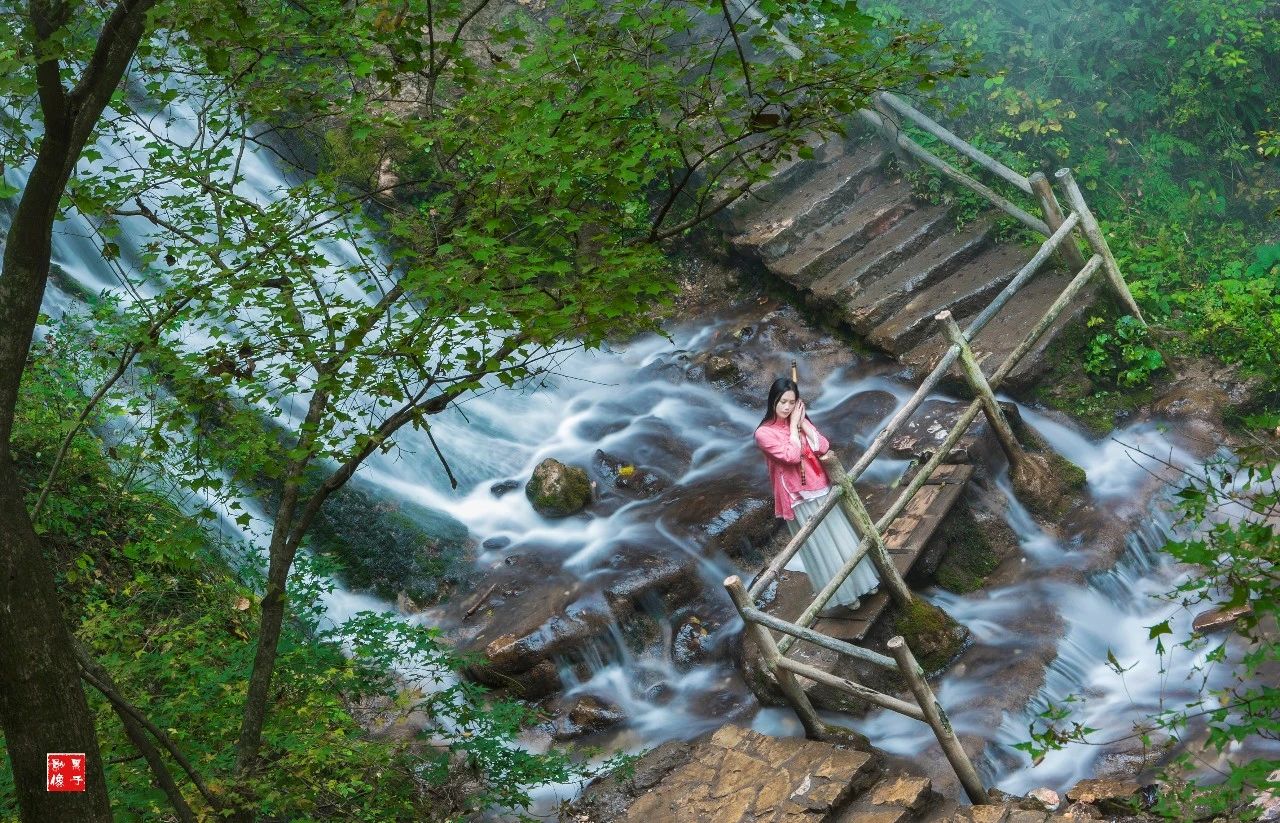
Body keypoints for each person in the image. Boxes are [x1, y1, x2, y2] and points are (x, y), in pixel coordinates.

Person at [753, 377, 878, 610]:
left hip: (820, 486)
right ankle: (845, 594)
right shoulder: (764, 433)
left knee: (842, 537)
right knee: (822, 546)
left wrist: (804, 424)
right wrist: (792, 427)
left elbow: (822, 447)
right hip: (797, 495)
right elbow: (790, 456)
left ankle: (865, 581)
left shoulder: (799, 422)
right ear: (773, 401)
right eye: (782, 402)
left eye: (792, 402)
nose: (787, 407)